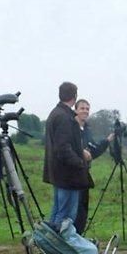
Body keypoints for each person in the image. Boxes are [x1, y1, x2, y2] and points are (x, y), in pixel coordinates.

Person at [43, 81, 87, 232]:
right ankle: (58, 250)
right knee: (66, 217)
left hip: (58, 174)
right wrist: (79, 162)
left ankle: (50, 245)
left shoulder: (55, 113)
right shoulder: (64, 117)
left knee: (57, 212)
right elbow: (63, 148)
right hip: (68, 176)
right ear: (74, 97)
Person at [73, 98, 112, 234]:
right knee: (74, 209)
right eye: (82, 108)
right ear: (75, 110)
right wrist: (81, 153)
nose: (85, 111)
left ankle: (79, 235)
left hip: (85, 173)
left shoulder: (87, 129)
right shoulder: (71, 128)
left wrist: (107, 141)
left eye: (87, 109)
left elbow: (93, 151)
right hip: (73, 174)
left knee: (83, 209)